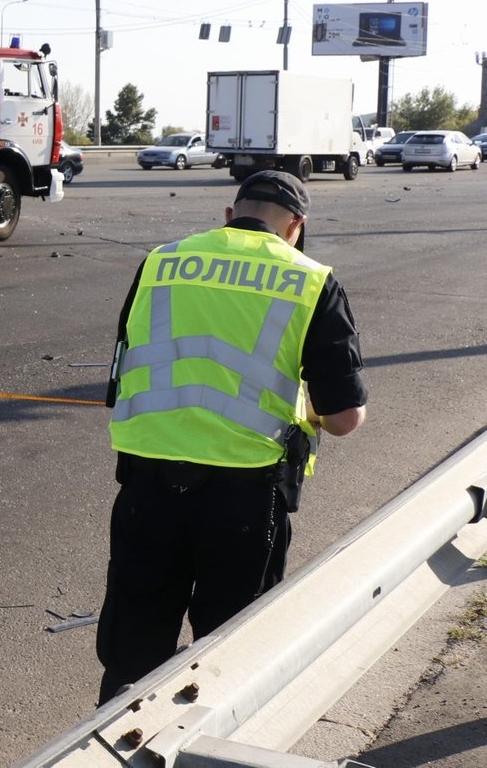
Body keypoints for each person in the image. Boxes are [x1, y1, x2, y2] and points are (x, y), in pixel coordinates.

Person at [96, 170, 367, 704]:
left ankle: (117, 740)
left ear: (229, 215)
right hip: (245, 495)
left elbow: (130, 360)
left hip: (147, 488)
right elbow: (344, 418)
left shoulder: (161, 262)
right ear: (296, 227)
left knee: (132, 651)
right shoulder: (310, 280)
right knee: (228, 658)